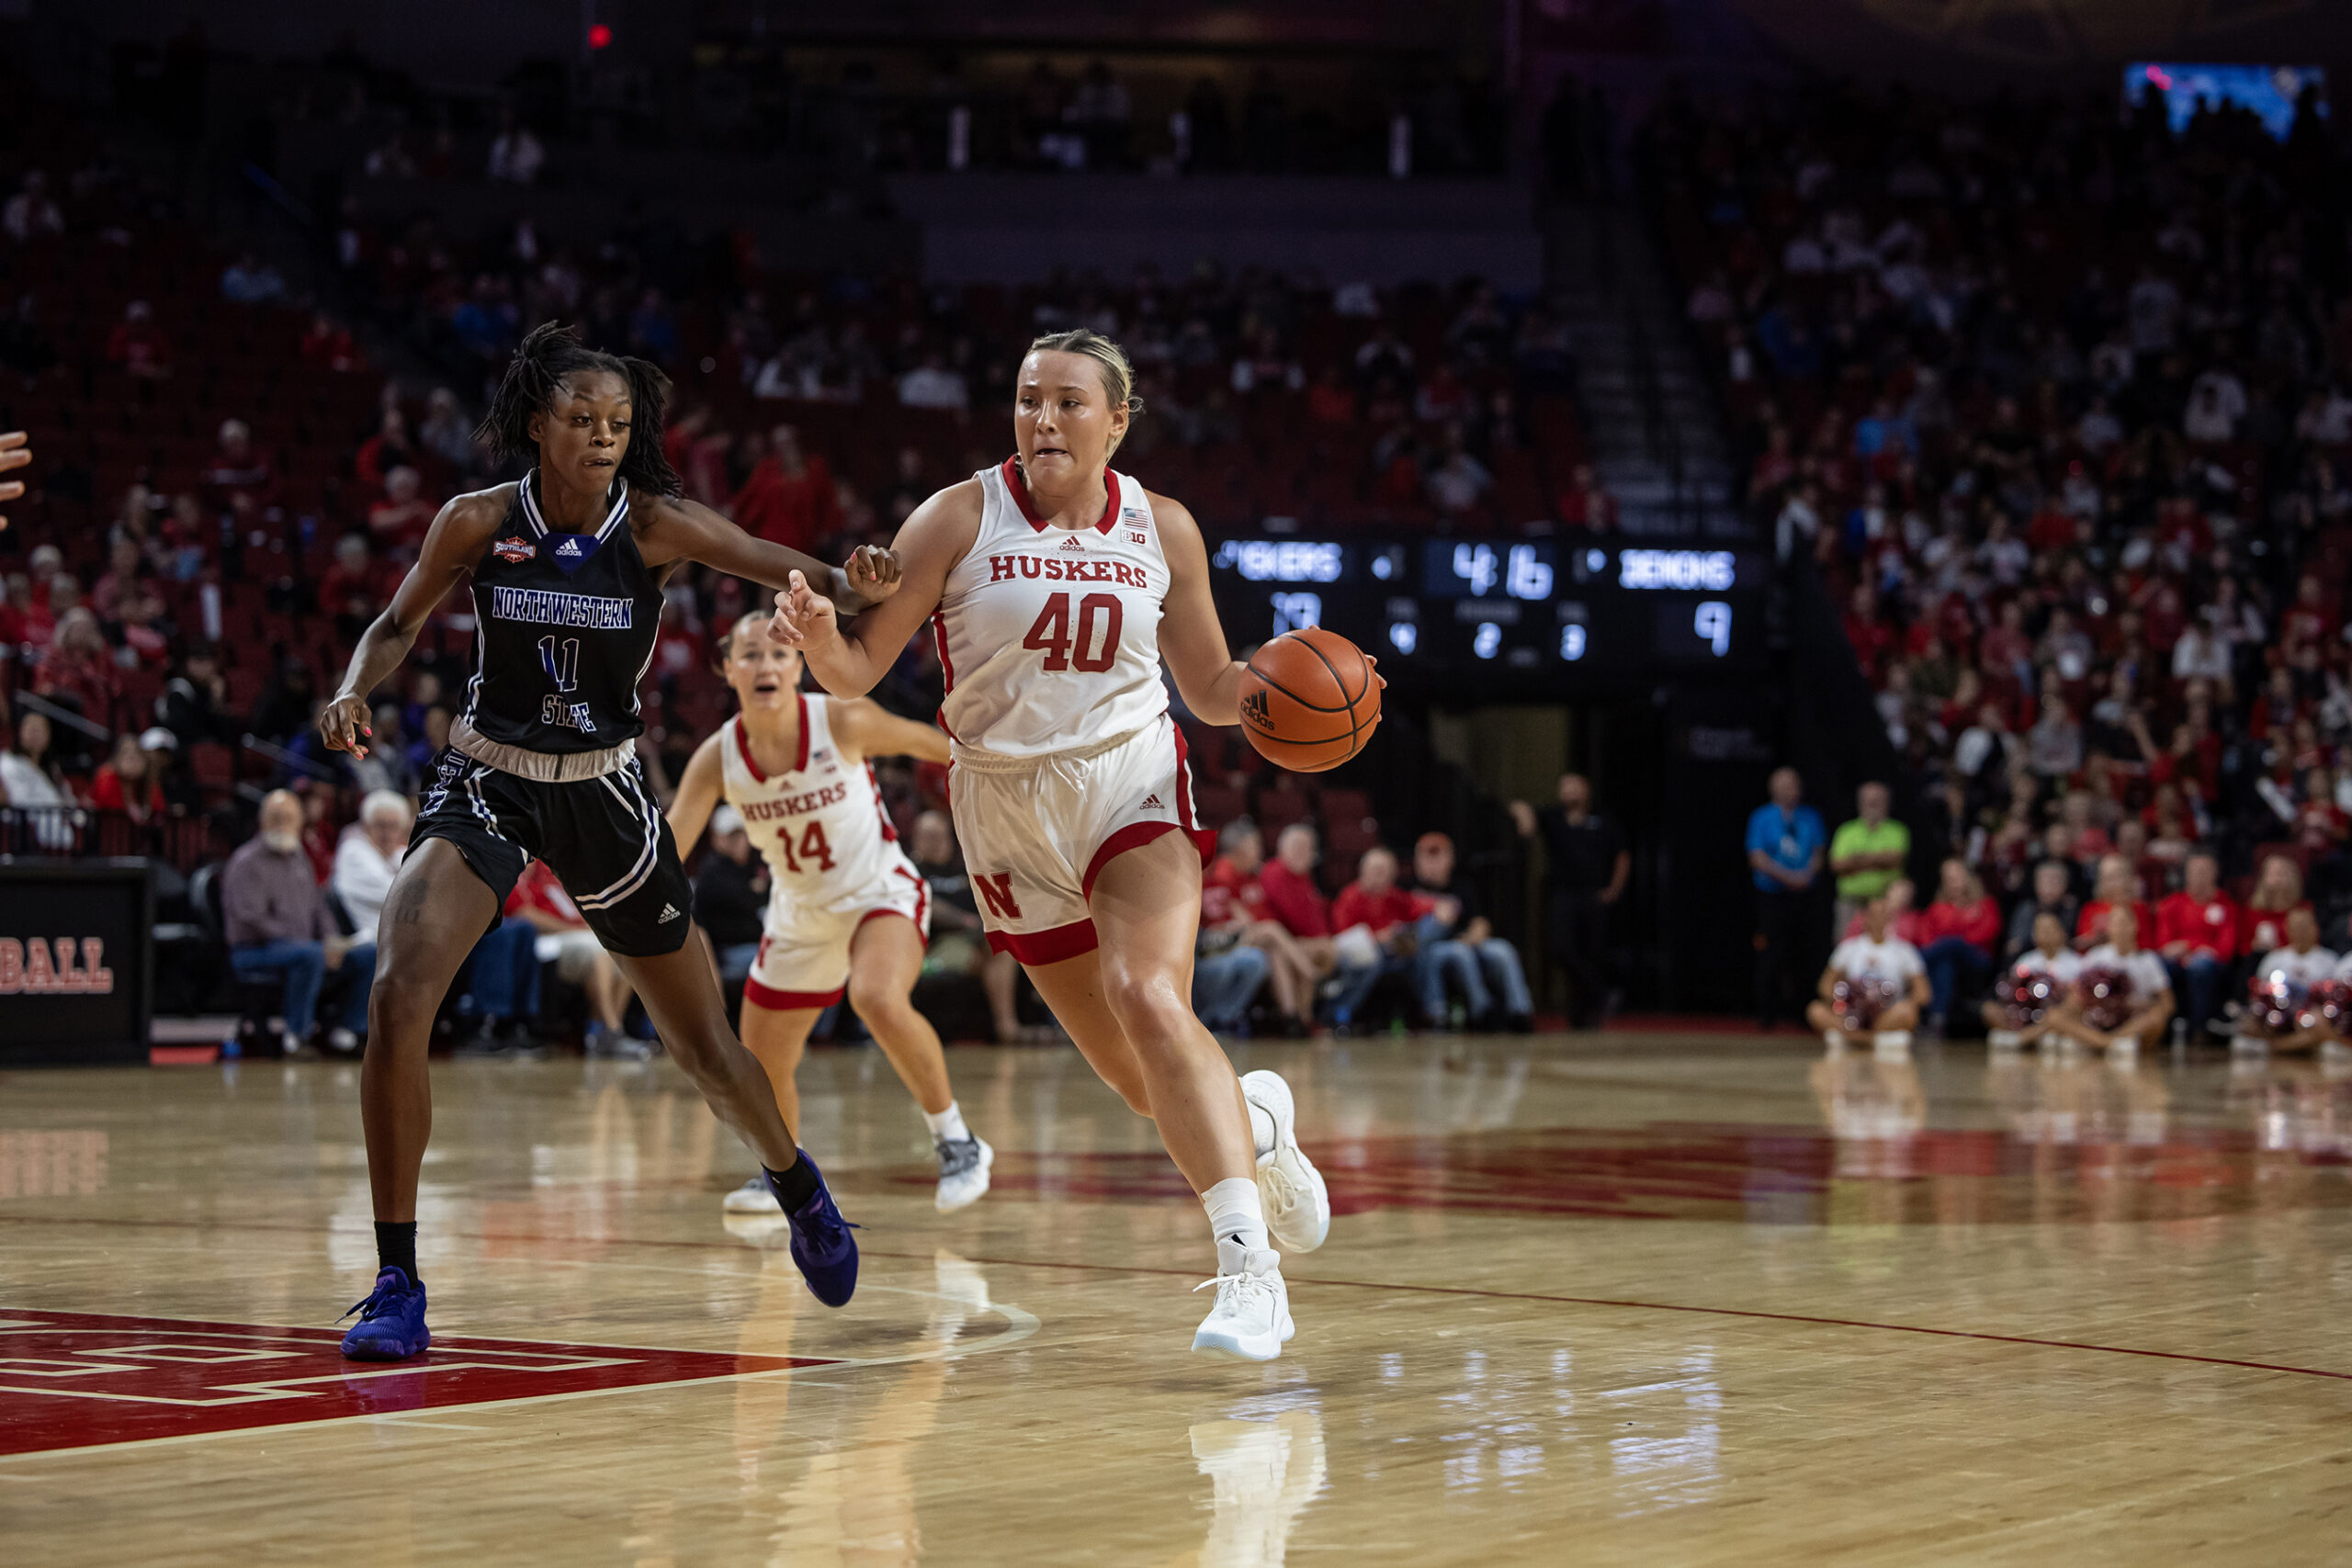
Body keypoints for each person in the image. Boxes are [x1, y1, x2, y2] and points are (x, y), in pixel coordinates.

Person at [316, 321, 902, 1360]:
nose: (601, 436)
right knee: (398, 993)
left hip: (606, 792)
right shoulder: (476, 520)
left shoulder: (658, 524)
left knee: (705, 1050)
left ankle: (798, 1187)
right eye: (581, 418)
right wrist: (356, 686)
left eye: (619, 423)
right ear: (536, 424)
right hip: (489, 777)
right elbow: (396, 624)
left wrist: (859, 578)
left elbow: (799, 572)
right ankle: (397, 1281)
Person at [767, 326, 1331, 1361]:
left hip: (1129, 779)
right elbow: (856, 670)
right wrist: (815, 638)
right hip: (1004, 808)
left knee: (1148, 996)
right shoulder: (957, 515)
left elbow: (1209, 687)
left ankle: (1250, 1271)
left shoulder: (1163, 526)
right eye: (1030, 398)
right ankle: (1257, 1126)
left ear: (1117, 422)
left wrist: (1270, 691)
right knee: (1139, 1080)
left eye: (1069, 401)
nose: (1043, 419)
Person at [667, 612, 992, 1215]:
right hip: (800, 913)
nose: (765, 665)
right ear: (727, 668)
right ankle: (784, 1175)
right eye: (750, 655)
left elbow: (934, 745)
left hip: (878, 893)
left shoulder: (842, 719)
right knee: (762, 1057)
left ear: (797, 666)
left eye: (778, 654)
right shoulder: (718, 757)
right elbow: (669, 851)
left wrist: (1001, 772)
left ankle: (957, 1140)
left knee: (876, 997)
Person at [221, 790, 373, 1055]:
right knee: (309, 955)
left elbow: (319, 907)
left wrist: (331, 941)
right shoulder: (246, 862)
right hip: (254, 951)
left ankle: (349, 1031)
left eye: (289, 818)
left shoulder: (299, 857)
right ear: (262, 821)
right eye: (275, 817)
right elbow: (249, 919)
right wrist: (307, 944)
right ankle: (296, 1038)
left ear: (300, 823)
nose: (282, 824)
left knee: (369, 954)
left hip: (304, 949)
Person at [1509, 773, 1627, 1029]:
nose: (1567, 791)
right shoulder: (1553, 817)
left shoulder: (1602, 819)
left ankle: (1585, 1014)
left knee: (1592, 953)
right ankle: (1599, 994)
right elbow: (1519, 807)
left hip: (1594, 895)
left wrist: (1614, 889)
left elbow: (1621, 854)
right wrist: (1523, 815)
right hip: (1563, 894)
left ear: (1586, 789)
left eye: (1573, 786)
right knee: (1562, 949)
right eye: (1563, 786)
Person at [1205, 818, 1322, 1035]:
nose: (1260, 850)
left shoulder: (1253, 873)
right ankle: (1310, 973)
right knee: (1271, 929)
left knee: (1277, 953)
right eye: (1255, 844)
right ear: (1240, 848)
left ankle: (1293, 1018)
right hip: (1227, 938)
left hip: (1253, 937)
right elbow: (1239, 917)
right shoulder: (1225, 872)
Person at [1409, 830, 1532, 1032]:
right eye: (1427, 858)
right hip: (1432, 950)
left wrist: (1470, 939)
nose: (1433, 864)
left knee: (1503, 950)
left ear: (1451, 860)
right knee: (1460, 952)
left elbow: (1480, 923)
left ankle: (1520, 1012)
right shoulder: (1408, 890)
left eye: (1438, 857)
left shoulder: (1463, 886)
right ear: (1417, 862)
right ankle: (1482, 1011)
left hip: (1466, 942)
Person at [1259, 822, 1371, 1027]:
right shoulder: (1275, 872)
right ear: (1282, 849)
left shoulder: (1302, 877)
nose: (1304, 853)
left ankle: (1304, 1018)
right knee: (1317, 951)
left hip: (1294, 942)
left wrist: (1323, 938)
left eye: (1308, 848)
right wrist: (1322, 939)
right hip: (1274, 944)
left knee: (1325, 952)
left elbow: (1314, 917)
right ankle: (1298, 1017)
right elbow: (1295, 915)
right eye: (1298, 847)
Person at [1747, 766, 1826, 1030]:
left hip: (1804, 896)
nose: (1792, 790)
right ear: (1774, 789)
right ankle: (1766, 1014)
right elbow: (1757, 857)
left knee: (1804, 953)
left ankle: (1805, 1013)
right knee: (1770, 954)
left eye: (1794, 784)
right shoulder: (1762, 817)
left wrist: (1805, 876)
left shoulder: (1810, 816)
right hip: (1772, 896)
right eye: (1785, 785)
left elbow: (1818, 853)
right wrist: (1788, 877)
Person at [1328, 845, 1438, 1027]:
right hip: (1361, 954)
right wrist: (1377, 937)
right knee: (1371, 960)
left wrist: (1440, 907)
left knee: (1424, 951)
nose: (1382, 876)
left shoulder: (1393, 895)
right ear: (1363, 871)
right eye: (1377, 870)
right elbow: (1343, 936)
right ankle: (1336, 1015)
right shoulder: (1350, 896)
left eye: (1386, 872)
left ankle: (1432, 1014)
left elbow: (1417, 907)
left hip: (1391, 953)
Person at [1804, 892, 1928, 1048]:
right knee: (1815, 1010)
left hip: (1886, 1016)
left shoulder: (1905, 950)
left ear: (1890, 917)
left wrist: (1903, 1003)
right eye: (1873, 914)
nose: (1878, 919)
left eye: (1882, 914)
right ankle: (1875, 1040)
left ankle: (1852, 1039)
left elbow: (1923, 993)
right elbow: (1825, 984)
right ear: (1865, 917)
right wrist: (1841, 1003)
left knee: (1907, 1012)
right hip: (1852, 1016)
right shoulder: (1848, 947)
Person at [2050, 907, 2174, 1056]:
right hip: (2096, 1017)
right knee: (2055, 1015)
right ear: (2108, 928)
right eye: (2115, 923)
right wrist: (2095, 1002)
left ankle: (2097, 1042)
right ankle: (2109, 1043)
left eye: (2124, 922)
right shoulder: (2096, 956)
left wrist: (2134, 1005)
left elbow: (2168, 1003)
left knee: (2157, 1017)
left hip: (2132, 1021)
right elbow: (2076, 990)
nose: (2120, 928)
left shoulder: (2148, 959)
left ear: (2135, 925)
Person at [2153, 850, 2238, 1041]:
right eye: (2195, 871)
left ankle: (2199, 1028)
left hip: (2210, 965)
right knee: (2160, 965)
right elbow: (2164, 945)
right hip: (2177, 961)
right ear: (2187, 875)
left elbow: (2225, 950)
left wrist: (2187, 947)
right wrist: (2194, 948)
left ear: (2215, 874)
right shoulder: (2172, 903)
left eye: (2204, 871)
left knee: (2200, 966)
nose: (2199, 876)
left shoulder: (2226, 905)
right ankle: (2166, 1026)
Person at [691, 803, 768, 999]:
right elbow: (748, 901)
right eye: (733, 836)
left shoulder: (752, 863)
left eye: (742, 834)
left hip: (758, 942)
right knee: (782, 962)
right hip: (730, 953)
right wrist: (754, 891)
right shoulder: (712, 870)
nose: (740, 841)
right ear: (718, 838)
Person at [2236, 908, 2339, 1055]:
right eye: (2295, 927)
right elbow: (2258, 995)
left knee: (2321, 1025)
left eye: (2304, 926)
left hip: (2308, 1018)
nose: (2300, 932)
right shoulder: (2274, 959)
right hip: (2278, 1017)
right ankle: (2293, 1046)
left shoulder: (2329, 961)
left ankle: (2270, 1048)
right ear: (2287, 929)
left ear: (2315, 929)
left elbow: (2333, 1004)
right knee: (2247, 1023)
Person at [1917, 859, 1998, 1034]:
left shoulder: (1985, 904)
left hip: (1977, 957)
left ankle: (1915, 962)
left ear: (1967, 877)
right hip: (1945, 958)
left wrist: (1959, 939)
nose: (1952, 882)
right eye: (1948, 878)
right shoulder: (1937, 907)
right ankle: (1938, 1018)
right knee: (1945, 963)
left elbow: (1988, 931)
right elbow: (1925, 936)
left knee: (1953, 943)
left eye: (1956, 877)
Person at [1981, 911, 2080, 1048]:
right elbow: (2012, 992)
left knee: (2065, 1010)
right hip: (2027, 1016)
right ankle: (2037, 1036)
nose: (2044, 933)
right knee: (1989, 1009)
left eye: (2049, 929)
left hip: (2057, 1013)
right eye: (2039, 929)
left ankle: (2021, 1039)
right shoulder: (2026, 961)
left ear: (2061, 932)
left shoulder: (2076, 963)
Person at [1827, 781, 1907, 937]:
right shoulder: (1846, 831)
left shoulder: (1898, 830)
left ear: (1887, 803)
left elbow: (1895, 859)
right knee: (1846, 945)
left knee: (1886, 945)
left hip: (1886, 904)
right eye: (1868, 801)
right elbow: (1837, 865)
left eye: (1877, 801)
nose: (1872, 805)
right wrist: (1879, 859)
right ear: (1860, 803)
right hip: (1851, 903)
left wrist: (1856, 859)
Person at [2002, 860, 2079, 962]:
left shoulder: (2072, 910)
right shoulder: (2026, 909)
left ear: (2065, 884)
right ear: (2036, 883)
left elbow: (2077, 943)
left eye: (2055, 880)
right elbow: (2014, 946)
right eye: (2046, 880)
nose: (2050, 885)